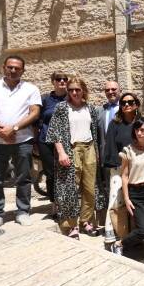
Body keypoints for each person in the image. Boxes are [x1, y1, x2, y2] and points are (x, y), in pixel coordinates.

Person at [0, 55, 41, 232]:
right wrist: (1, 130)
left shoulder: (31, 89)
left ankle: (22, 211)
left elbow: (34, 112)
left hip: (22, 140)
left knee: (24, 178)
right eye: (10, 67)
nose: (13, 70)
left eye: (17, 68)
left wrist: (13, 129)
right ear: (3, 68)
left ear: (23, 70)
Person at [46, 76, 103, 239]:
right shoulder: (62, 107)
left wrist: (96, 153)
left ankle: (85, 221)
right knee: (69, 189)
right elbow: (54, 131)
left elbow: (94, 132)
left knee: (90, 188)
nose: (74, 93)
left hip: (89, 148)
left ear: (83, 90)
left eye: (78, 89)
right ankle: (70, 225)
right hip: (71, 150)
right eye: (71, 90)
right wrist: (61, 152)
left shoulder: (90, 108)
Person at [112, 117, 144, 269]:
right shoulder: (128, 150)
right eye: (137, 130)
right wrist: (126, 198)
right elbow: (124, 175)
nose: (140, 133)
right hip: (136, 193)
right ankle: (119, 243)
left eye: (143, 130)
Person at [103, 92, 142, 246]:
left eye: (130, 102)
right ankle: (116, 236)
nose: (126, 105)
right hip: (119, 168)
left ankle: (134, 236)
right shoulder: (115, 124)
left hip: (138, 169)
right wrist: (116, 165)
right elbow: (110, 145)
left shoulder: (141, 123)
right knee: (116, 201)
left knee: (134, 203)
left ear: (136, 104)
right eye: (123, 102)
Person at [36, 72, 68, 215]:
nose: (62, 81)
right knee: (51, 173)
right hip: (46, 141)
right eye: (58, 79)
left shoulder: (71, 96)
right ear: (53, 82)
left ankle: (68, 202)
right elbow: (36, 121)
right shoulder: (45, 100)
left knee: (67, 172)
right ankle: (55, 204)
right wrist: (34, 142)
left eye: (64, 79)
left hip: (66, 140)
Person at [97, 81, 120, 210]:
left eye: (113, 89)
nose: (110, 92)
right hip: (105, 155)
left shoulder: (126, 108)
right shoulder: (100, 110)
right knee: (108, 185)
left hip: (122, 155)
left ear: (119, 90)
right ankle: (110, 215)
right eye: (107, 90)